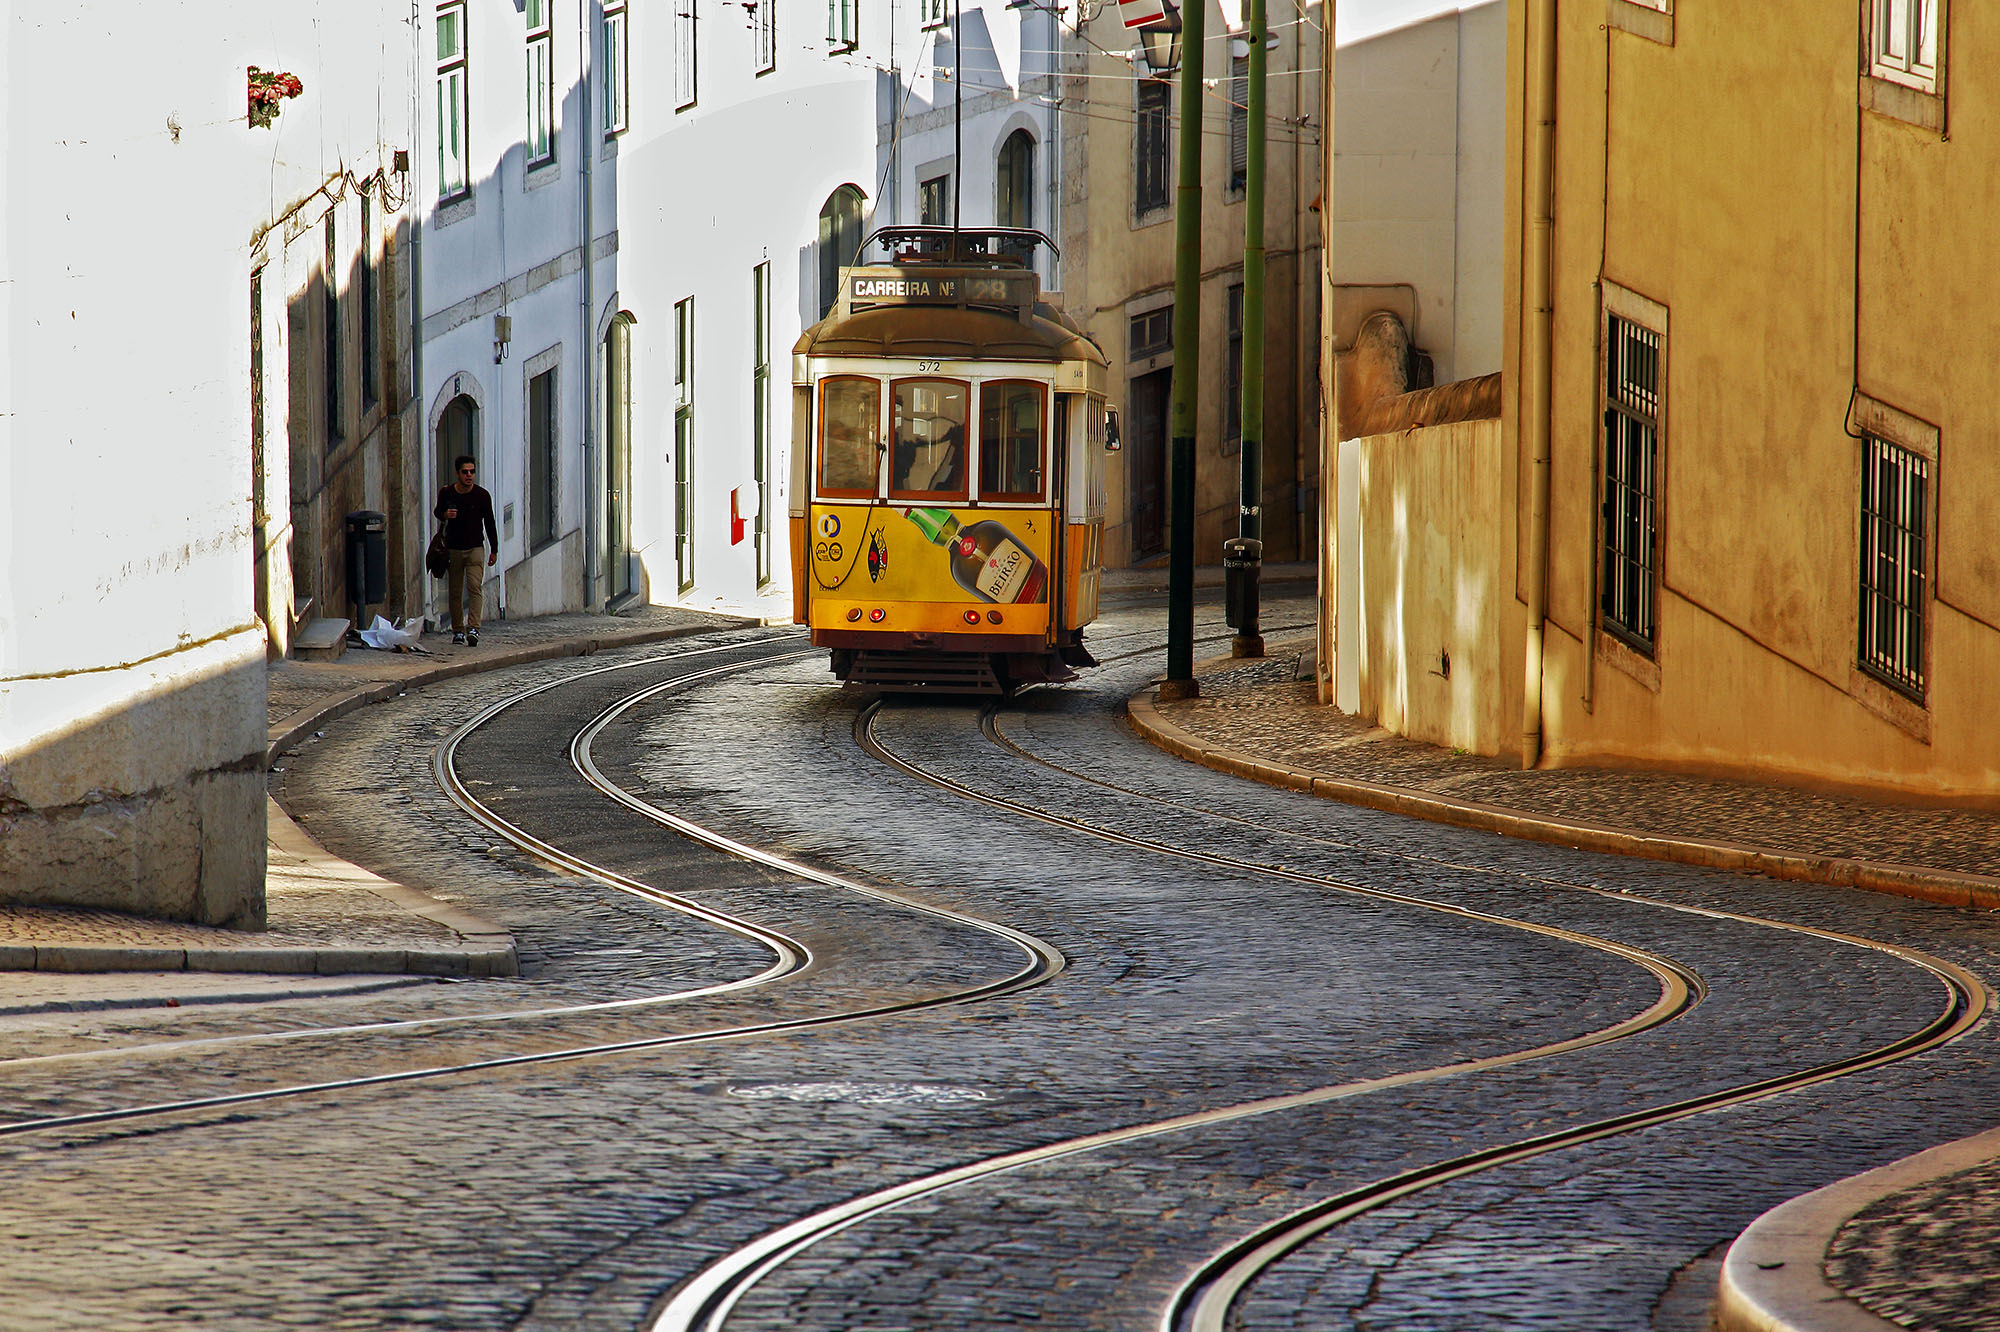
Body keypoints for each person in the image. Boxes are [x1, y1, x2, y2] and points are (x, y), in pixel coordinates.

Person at [434, 455, 498, 645]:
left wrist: (494, 549)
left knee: (474, 587)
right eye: (465, 472)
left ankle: (473, 628)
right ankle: (458, 630)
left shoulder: (482, 495)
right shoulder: (447, 493)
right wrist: (445, 514)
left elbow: (490, 522)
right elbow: (437, 511)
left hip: (475, 547)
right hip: (454, 548)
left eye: (472, 472)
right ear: (458, 473)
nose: (469, 475)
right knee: (455, 591)